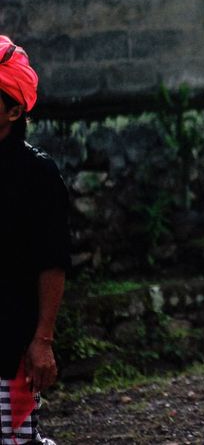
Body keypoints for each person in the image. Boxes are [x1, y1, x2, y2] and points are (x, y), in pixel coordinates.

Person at [0, 35, 70, 445]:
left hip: (10, 339)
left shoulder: (37, 173)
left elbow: (52, 260)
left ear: (12, 110)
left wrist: (42, 340)